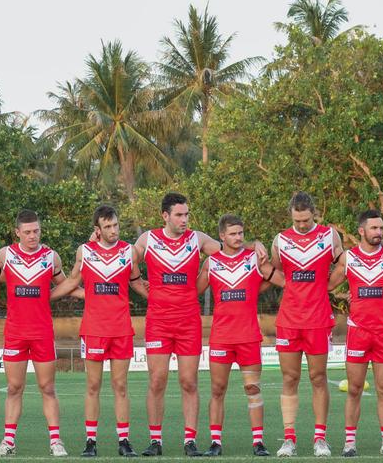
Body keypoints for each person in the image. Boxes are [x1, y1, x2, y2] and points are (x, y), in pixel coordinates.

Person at [52, 204, 147, 458]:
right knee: (93, 385)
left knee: (120, 386)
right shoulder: (85, 251)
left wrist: (161, 299)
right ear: (97, 230)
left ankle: (124, 440)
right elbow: (72, 281)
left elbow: (137, 282)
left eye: (116, 225)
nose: (114, 230)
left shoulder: (129, 252)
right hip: (93, 329)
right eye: (108, 227)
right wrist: (45, 297)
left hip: (121, 329)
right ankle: (90, 441)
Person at [133, 192, 222, 456]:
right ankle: (155, 441)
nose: (185, 220)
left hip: (188, 321)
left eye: (187, 214)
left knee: (188, 381)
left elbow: (229, 249)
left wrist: (255, 246)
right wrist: (146, 291)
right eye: (179, 215)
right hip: (159, 321)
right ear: (165, 216)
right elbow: (126, 262)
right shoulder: (148, 239)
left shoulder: (197, 238)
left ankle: (189, 441)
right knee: (157, 380)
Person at [198, 214, 279, 457]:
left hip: (248, 337)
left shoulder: (254, 258)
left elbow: (278, 278)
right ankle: (215, 443)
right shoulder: (211, 263)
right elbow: (191, 292)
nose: (238, 238)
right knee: (217, 389)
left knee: (253, 388)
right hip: (221, 337)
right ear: (222, 236)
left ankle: (258, 442)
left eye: (241, 233)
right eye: (233, 234)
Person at [0, 209, 69, 457]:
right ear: (17, 233)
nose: (33, 236)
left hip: (42, 332)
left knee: (47, 387)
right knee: (14, 387)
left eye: (36, 231)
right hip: (15, 332)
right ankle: (8, 442)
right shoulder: (6, 254)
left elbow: (66, 283)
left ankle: (56, 442)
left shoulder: (51, 257)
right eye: (27, 232)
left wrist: (88, 293)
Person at [270, 191, 342, 457]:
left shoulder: (329, 235)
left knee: (318, 377)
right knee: (289, 378)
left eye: (306, 219)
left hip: (318, 319)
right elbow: (274, 271)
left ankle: (320, 438)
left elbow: (344, 263)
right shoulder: (280, 240)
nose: (301, 224)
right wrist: (288, 285)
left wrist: (328, 287)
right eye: (297, 220)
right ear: (291, 215)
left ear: (314, 214)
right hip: (289, 319)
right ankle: (289, 438)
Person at [327, 210, 383, 457]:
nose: (379, 232)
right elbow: (327, 285)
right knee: (355, 388)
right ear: (361, 231)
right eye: (374, 228)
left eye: (381, 228)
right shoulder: (349, 258)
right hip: (358, 332)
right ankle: (349, 443)